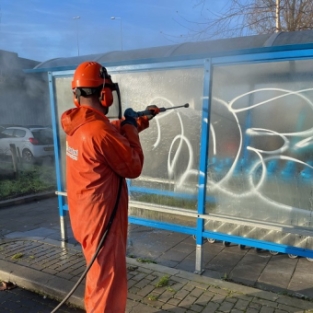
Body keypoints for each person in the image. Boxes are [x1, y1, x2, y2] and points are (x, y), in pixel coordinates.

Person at [60, 61, 157, 312]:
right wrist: (130, 130)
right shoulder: (98, 132)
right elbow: (133, 166)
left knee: (98, 277)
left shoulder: (79, 125)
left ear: (77, 95)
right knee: (108, 283)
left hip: (85, 216)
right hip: (103, 221)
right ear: (105, 94)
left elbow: (109, 133)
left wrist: (136, 122)